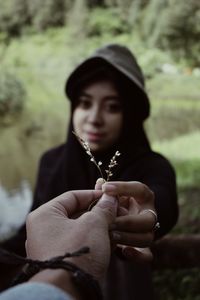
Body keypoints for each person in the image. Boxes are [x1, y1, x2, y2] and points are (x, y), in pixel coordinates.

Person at [0, 44, 178, 299]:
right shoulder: (51, 161)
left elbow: (160, 201)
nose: (94, 118)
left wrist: (147, 219)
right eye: (84, 103)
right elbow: (30, 230)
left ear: (131, 115)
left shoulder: (152, 166)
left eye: (112, 106)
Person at [0, 184, 154, 300]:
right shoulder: (50, 161)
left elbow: (160, 190)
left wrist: (150, 216)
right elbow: (25, 235)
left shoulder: (148, 161)